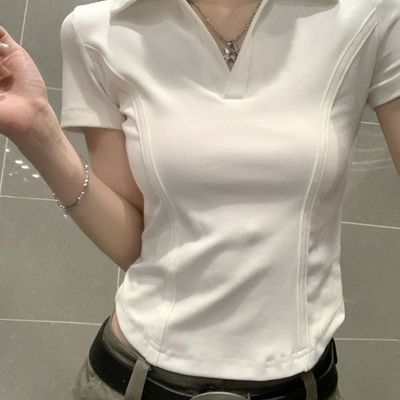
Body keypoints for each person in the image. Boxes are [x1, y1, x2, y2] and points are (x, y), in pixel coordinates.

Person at [1, 0, 400, 399]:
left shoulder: (367, 15)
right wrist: (37, 130)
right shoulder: (98, 30)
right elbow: (136, 242)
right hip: (131, 380)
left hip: (303, 386)